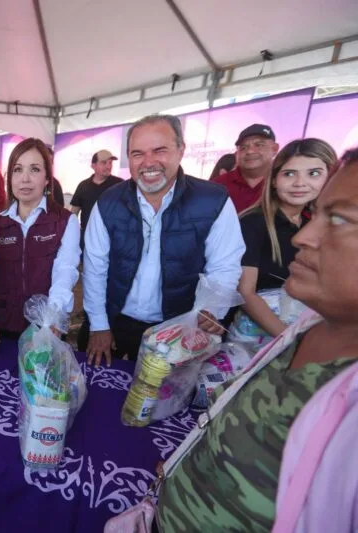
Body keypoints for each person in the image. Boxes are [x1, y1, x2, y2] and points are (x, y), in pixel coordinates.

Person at [155, 148, 358, 533]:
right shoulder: (305, 328)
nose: (304, 236)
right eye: (322, 212)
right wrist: (185, 461)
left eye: (341, 219)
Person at [83, 114, 244, 365]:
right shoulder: (108, 202)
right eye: (137, 154)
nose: (149, 162)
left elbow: (224, 265)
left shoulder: (213, 201)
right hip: (115, 323)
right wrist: (99, 325)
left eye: (160, 150)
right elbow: (94, 268)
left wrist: (212, 310)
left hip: (178, 327)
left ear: (180, 150)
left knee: (162, 399)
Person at [0, 138, 80, 356]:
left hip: (44, 329)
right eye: (17, 169)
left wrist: (50, 321)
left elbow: (65, 272)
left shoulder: (65, 221)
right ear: (10, 178)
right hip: (2, 327)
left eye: (34, 169)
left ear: (47, 179)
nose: (25, 179)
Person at [237, 138, 337, 337]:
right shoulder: (253, 222)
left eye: (314, 173)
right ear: (274, 180)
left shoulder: (314, 225)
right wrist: (288, 340)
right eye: (289, 174)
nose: (300, 183)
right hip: (257, 334)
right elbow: (245, 292)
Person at [212, 124, 279, 213]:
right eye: (243, 147)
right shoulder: (218, 185)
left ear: (274, 149)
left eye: (258, 145)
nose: (250, 151)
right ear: (237, 153)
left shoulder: (283, 183)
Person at [70, 149, 124, 249]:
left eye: (110, 163)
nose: (109, 166)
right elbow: (74, 213)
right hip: (87, 240)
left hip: (114, 240)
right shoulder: (83, 186)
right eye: (104, 163)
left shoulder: (120, 185)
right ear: (93, 166)